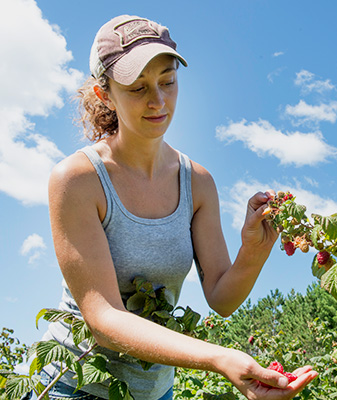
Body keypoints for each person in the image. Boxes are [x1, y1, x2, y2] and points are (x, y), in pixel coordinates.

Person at [40, 14, 318, 400]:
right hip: (75, 387)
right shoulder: (78, 179)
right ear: (105, 95)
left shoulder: (197, 182)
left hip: (156, 391)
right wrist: (221, 359)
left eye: (167, 82)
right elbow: (103, 318)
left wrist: (254, 251)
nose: (158, 101)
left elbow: (221, 297)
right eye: (138, 88)